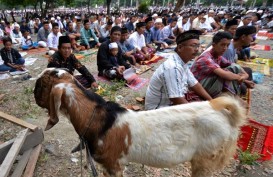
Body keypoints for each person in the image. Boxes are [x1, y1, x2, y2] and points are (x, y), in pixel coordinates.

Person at [145, 30, 212, 110]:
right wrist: (196, 113)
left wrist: (212, 102)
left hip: (171, 104)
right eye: (193, 46)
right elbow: (176, 99)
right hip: (159, 110)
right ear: (180, 47)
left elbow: (195, 84)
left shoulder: (182, 62)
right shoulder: (173, 67)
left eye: (198, 46)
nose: (197, 49)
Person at [191, 32, 251, 98]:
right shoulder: (206, 58)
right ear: (214, 45)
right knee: (226, 73)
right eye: (222, 45)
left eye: (227, 45)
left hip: (207, 83)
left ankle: (231, 95)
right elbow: (224, 74)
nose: (225, 48)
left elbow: (234, 65)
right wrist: (240, 78)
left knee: (234, 68)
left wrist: (245, 76)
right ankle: (231, 96)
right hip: (197, 87)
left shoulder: (218, 56)